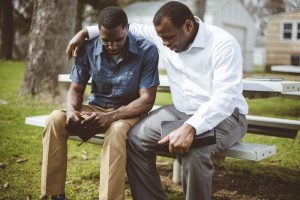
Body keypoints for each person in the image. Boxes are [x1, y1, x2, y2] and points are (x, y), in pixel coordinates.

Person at [67, 1, 248, 200]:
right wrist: (85, 32)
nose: (164, 43)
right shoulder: (165, 33)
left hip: (226, 115)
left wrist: (190, 127)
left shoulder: (223, 44)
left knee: (195, 152)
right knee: (135, 139)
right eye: (160, 37)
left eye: (168, 37)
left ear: (188, 26)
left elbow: (224, 98)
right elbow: (129, 27)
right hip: (180, 110)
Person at [42, 7, 159, 200]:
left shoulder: (147, 50)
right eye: (106, 41)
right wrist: (72, 111)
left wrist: (111, 116)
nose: (112, 45)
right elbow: (76, 90)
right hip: (97, 106)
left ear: (127, 29)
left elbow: (147, 100)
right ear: (99, 32)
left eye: (118, 40)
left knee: (115, 131)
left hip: (129, 112)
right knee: (55, 119)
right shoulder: (88, 48)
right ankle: (55, 195)